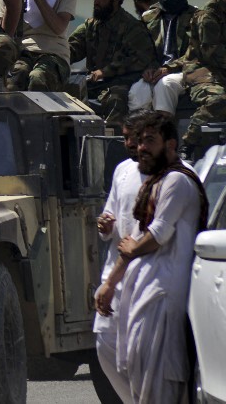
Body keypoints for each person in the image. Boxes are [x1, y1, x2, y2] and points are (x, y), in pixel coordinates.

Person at [95, 111, 207, 403]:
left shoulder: (178, 181)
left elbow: (155, 235)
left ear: (170, 145)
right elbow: (133, 241)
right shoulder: (151, 180)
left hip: (163, 292)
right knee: (134, 369)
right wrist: (111, 281)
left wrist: (131, 250)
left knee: (160, 381)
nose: (141, 147)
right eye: (139, 141)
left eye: (150, 141)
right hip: (142, 291)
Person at [92, 111, 148, 403]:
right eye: (125, 137)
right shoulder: (122, 170)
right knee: (105, 344)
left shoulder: (175, 174)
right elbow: (111, 213)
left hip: (150, 276)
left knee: (144, 355)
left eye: (133, 137)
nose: (128, 143)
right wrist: (105, 226)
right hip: (114, 274)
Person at [68, 0, 156, 125]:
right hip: (94, 83)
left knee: (116, 97)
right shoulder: (90, 26)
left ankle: (111, 141)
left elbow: (140, 58)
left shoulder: (132, 27)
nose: (96, 1)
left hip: (120, 82)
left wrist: (106, 71)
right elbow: (72, 49)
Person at [128, 0, 196, 115]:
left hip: (183, 71)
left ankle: (163, 131)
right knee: (138, 91)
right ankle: (141, 133)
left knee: (166, 85)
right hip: (155, 72)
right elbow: (141, 50)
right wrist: (148, 69)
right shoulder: (148, 18)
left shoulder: (197, 17)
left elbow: (197, 52)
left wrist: (170, 68)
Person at [179, 0, 226, 159]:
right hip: (204, 70)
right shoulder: (209, 15)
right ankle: (187, 146)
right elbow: (211, 53)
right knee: (219, 99)